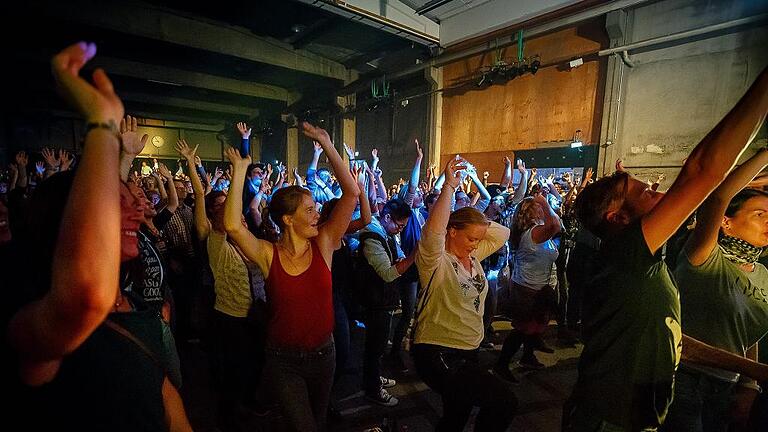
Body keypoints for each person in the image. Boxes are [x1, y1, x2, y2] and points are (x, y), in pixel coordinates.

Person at [564, 67, 768, 431]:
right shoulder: (625, 255)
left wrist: (752, 370)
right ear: (618, 219)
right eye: (646, 192)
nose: (661, 194)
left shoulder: (645, 267)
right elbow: (702, 170)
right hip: (607, 421)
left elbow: (674, 341)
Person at [4, 41, 192, 431]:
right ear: (69, 221)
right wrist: (102, 126)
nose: (139, 209)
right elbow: (86, 292)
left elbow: (173, 415)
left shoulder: (136, 306)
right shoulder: (33, 318)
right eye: (115, 202)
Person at [223, 122, 359, 431]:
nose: (317, 214)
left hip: (325, 354)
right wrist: (241, 170)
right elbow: (232, 225)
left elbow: (351, 193)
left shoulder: (323, 243)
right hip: (283, 361)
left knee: (318, 420)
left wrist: (327, 143)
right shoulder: (269, 253)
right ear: (288, 219)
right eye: (309, 210)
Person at [662, 145, 768, 431]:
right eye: (759, 214)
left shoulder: (762, 274)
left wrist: (749, 386)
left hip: (727, 385)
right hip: (683, 378)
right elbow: (719, 196)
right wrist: (764, 155)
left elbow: (746, 331)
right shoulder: (704, 256)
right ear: (726, 223)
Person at [411, 156, 517, 432]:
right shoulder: (436, 261)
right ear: (452, 232)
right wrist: (449, 188)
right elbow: (433, 232)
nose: (476, 245)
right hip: (439, 351)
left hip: (468, 350)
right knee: (504, 402)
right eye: (471, 238)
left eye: (478, 240)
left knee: (456, 414)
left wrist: (474, 221)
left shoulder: (473, 257)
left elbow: (502, 233)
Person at [495, 192, 561, 379]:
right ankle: (502, 364)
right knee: (524, 329)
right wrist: (545, 202)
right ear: (532, 213)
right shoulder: (533, 233)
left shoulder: (538, 231)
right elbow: (556, 224)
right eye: (539, 209)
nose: (543, 211)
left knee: (535, 327)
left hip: (539, 287)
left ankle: (527, 356)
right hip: (527, 289)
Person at [358, 197, 416, 406]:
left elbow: (398, 256)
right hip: (376, 300)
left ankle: (374, 377)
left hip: (384, 298)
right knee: (375, 345)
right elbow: (388, 273)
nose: (400, 230)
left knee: (379, 344)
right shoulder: (373, 238)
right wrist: (413, 255)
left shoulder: (387, 233)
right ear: (387, 217)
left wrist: (402, 259)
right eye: (399, 225)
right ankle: (372, 388)